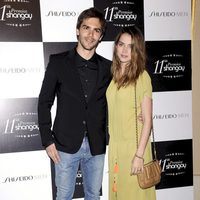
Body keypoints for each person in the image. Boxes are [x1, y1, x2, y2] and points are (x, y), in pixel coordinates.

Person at [38, 7, 111, 200]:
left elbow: (116, 100)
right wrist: (47, 140)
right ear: (78, 30)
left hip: (96, 145)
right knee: (63, 196)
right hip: (64, 144)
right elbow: (44, 102)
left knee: (93, 195)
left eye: (96, 30)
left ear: (101, 36)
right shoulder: (58, 62)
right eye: (86, 28)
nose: (90, 34)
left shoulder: (108, 68)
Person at [106, 27, 156, 199]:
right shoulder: (112, 76)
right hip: (116, 148)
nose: (125, 50)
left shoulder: (142, 77)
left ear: (137, 50)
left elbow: (148, 120)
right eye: (121, 44)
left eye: (131, 46)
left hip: (134, 148)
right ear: (116, 46)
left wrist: (139, 155)